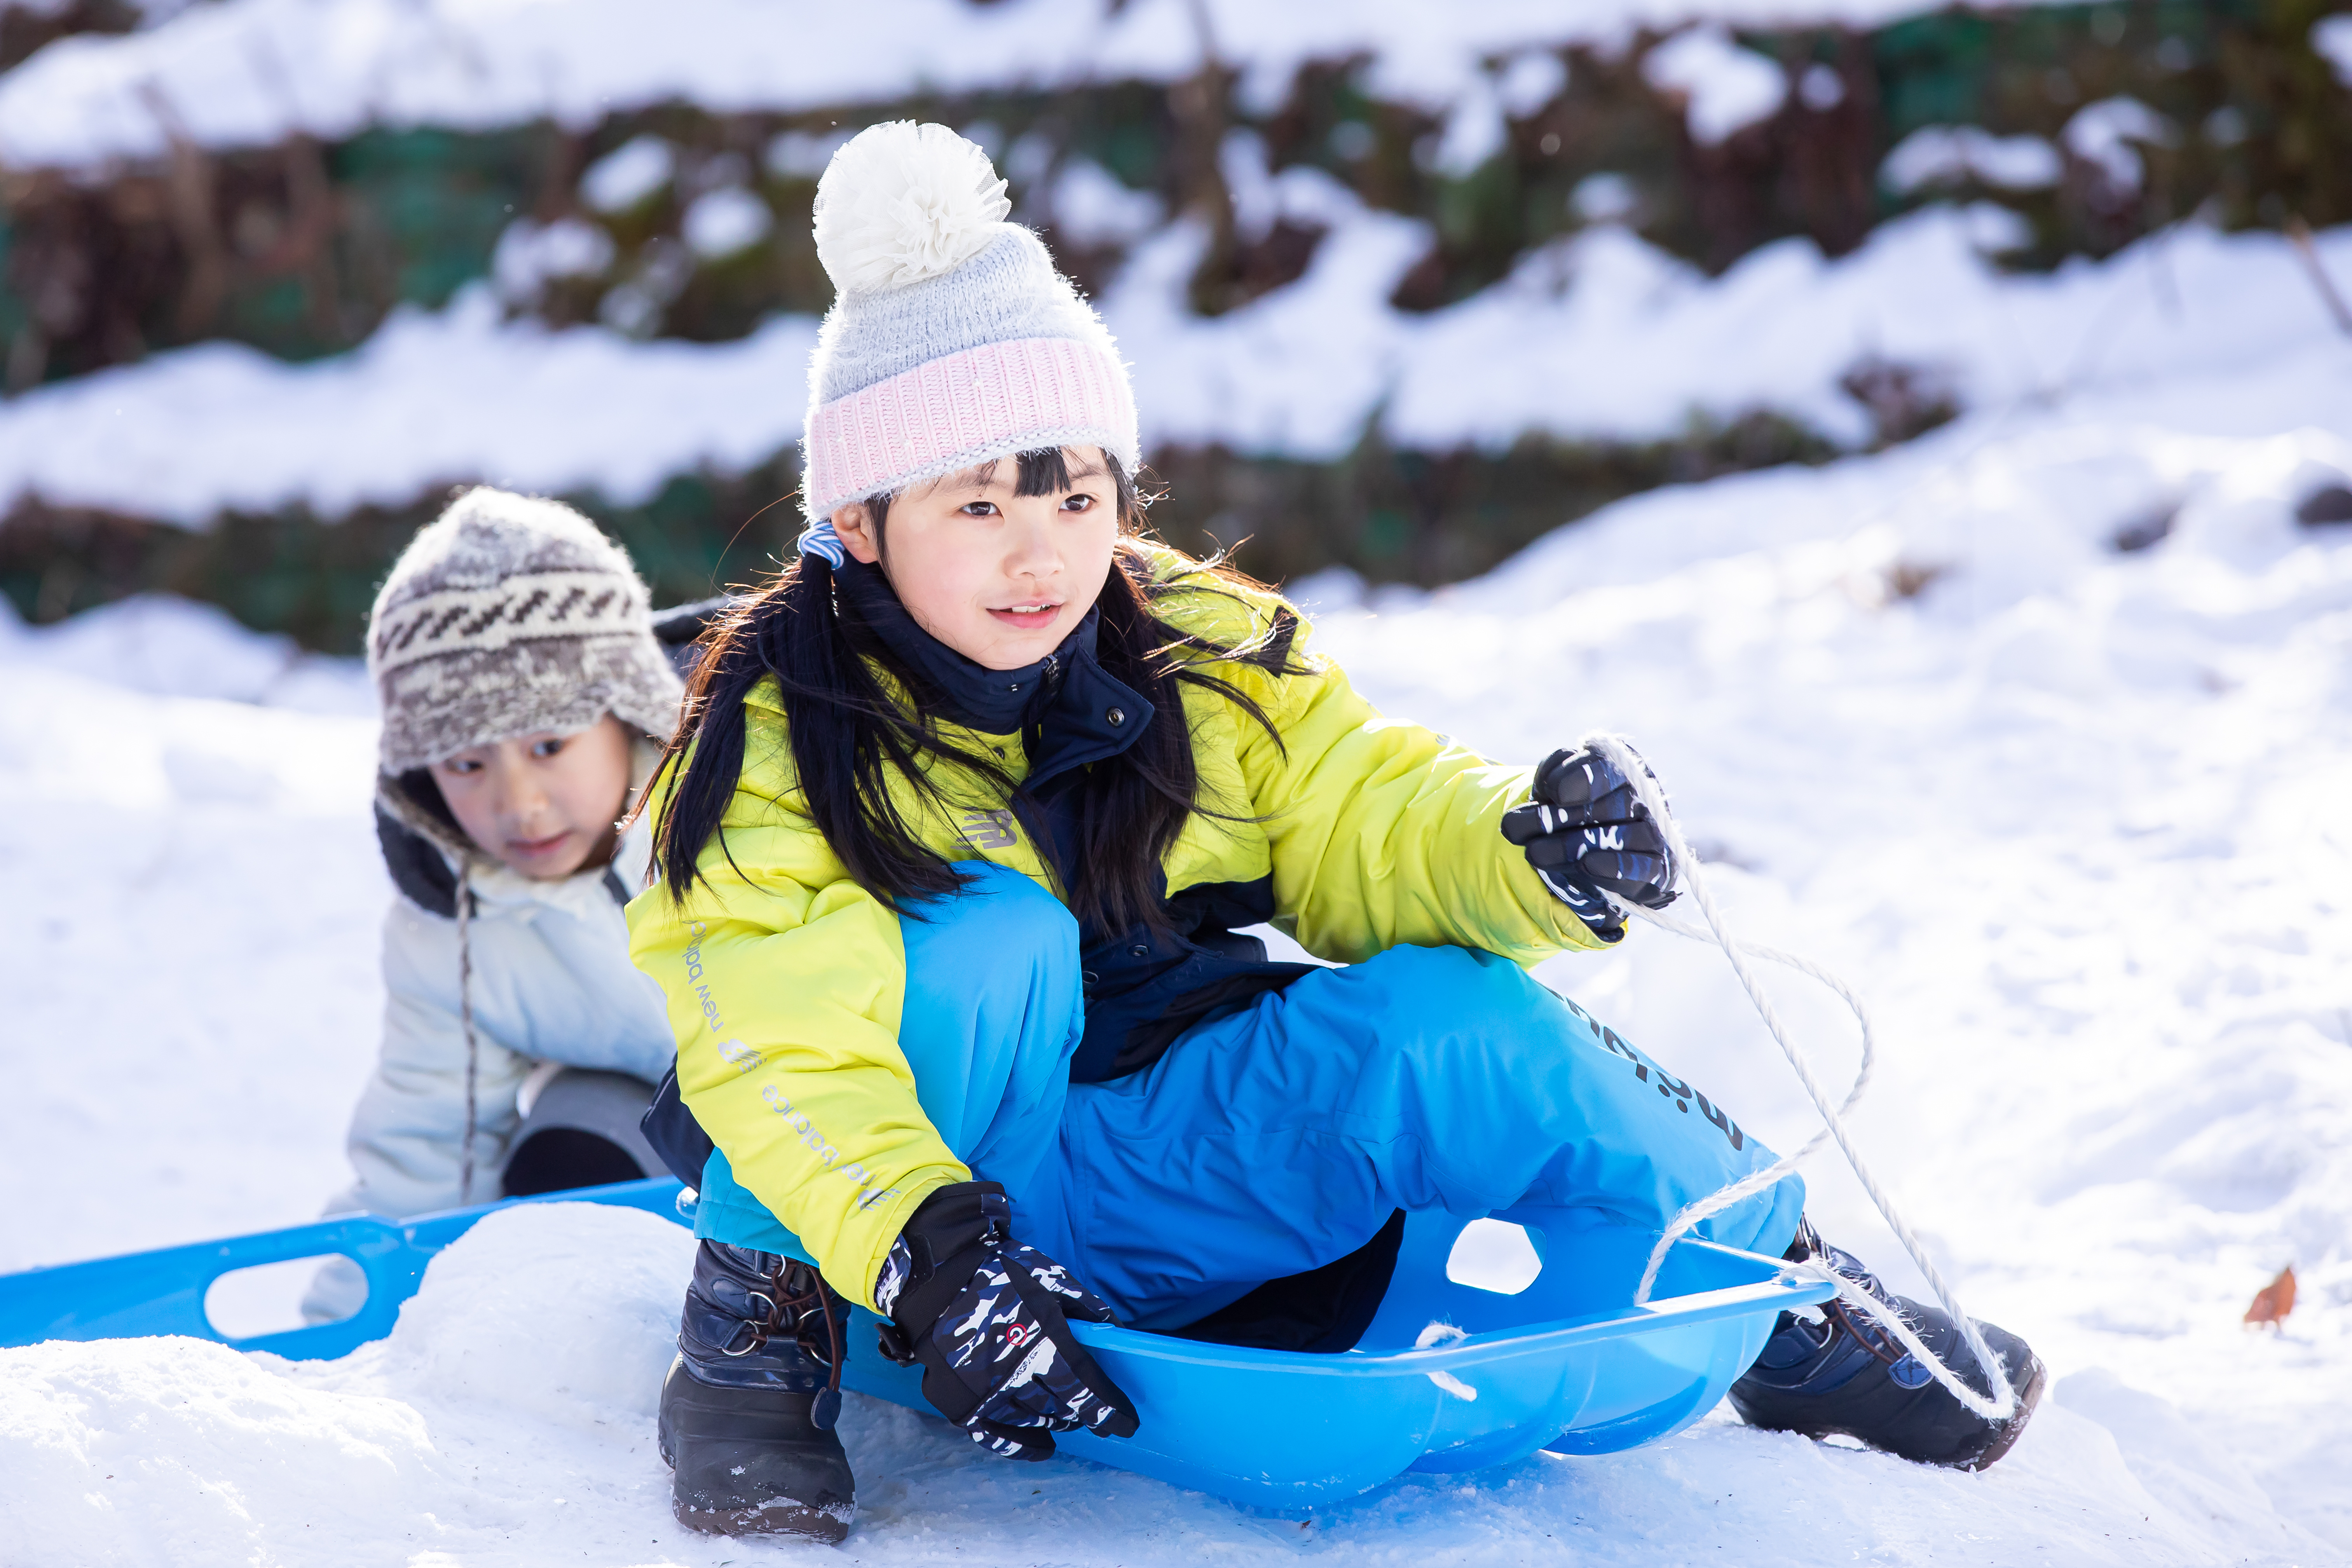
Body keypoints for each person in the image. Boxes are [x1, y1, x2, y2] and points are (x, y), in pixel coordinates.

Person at [626, 123, 2045, 1543]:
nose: (1038, 551)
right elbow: (775, 1034)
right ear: (862, 525)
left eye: (1074, 494)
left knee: (1451, 1016)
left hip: (1165, 1156)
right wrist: (929, 1251)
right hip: (900, 1218)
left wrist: (1524, 846)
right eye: (977, 503)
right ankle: (754, 1343)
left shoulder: (1191, 652)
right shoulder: (779, 733)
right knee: (989, 937)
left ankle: (1781, 1299)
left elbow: (1364, 809)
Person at [303, 487, 698, 1322]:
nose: (518, 802)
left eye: (548, 745)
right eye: (467, 763)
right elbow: (427, 1143)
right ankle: (620, 1335)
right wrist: (347, 1337)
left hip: (863, 1096)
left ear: (625, 711)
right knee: (559, 1162)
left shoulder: (737, 799)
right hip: (665, 1124)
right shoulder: (448, 921)